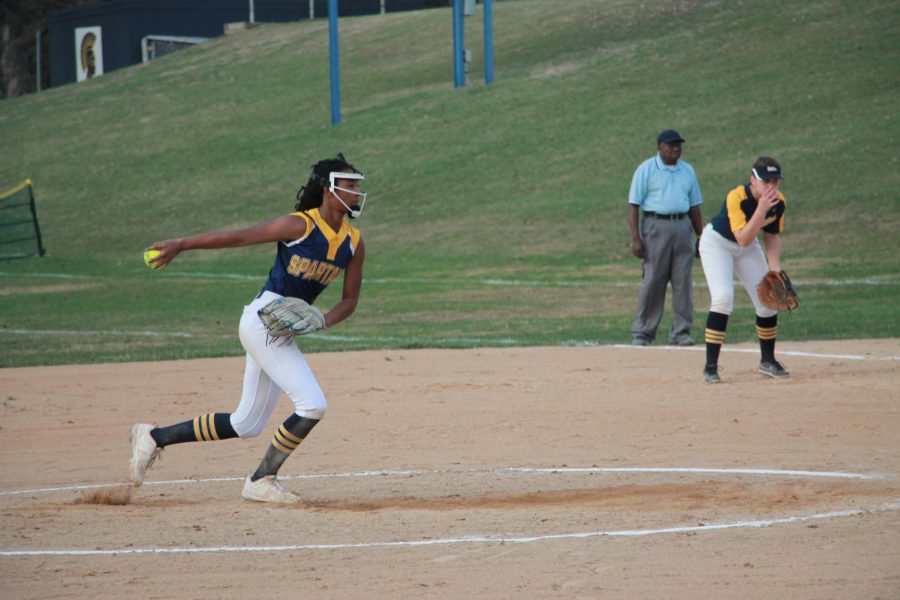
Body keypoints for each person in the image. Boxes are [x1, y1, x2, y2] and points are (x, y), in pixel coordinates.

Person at [129, 153, 368, 503]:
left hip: (281, 330)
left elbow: (349, 301)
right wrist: (182, 244)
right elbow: (239, 237)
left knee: (247, 423)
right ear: (329, 191)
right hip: (262, 320)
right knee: (313, 405)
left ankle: (153, 436)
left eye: (357, 186)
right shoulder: (300, 225)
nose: (357, 192)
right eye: (349, 185)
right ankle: (261, 478)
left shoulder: (353, 243)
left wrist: (321, 320)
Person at [699, 156, 789, 384]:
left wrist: (775, 270)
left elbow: (771, 235)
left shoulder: (779, 202)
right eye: (765, 181)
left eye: (775, 182)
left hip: (747, 248)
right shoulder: (736, 197)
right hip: (718, 243)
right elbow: (743, 237)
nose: (771, 187)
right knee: (723, 298)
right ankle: (710, 367)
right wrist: (761, 209)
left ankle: (767, 360)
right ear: (753, 180)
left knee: (768, 299)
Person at [628, 129, 704, 346]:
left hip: (682, 226)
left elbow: (695, 206)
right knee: (653, 280)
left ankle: (681, 332)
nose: (675, 149)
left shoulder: (687, 171)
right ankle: (643, 331)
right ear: (660, 147)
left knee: (683, 281)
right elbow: (633, 205)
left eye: (678, 145)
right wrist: (636, 238)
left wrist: (700, 236)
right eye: (670, 145)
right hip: (655, 225)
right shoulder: (647, 169)